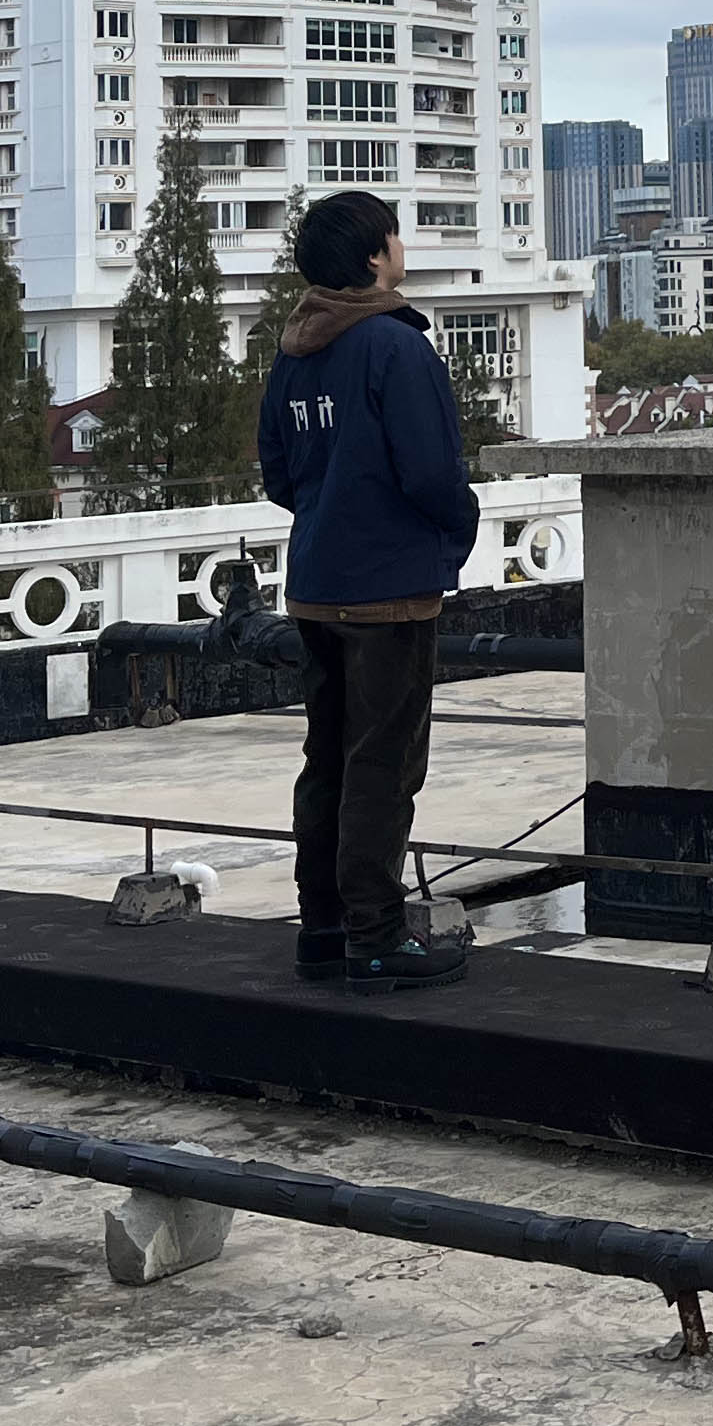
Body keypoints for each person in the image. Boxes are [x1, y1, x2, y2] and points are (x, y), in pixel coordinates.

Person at [257, 188, 479, 995]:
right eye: (395, 236)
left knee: (328, 759)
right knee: (383, 766)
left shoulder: (295, 351)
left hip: (317, 585)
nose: (401, 248)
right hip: (388, 593)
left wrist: (332, 514)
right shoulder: (394, 344)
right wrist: (458, 527)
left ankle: (322, 928)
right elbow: (432, 471)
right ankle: (377, 938)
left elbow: (278, 472)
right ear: (375, 256)